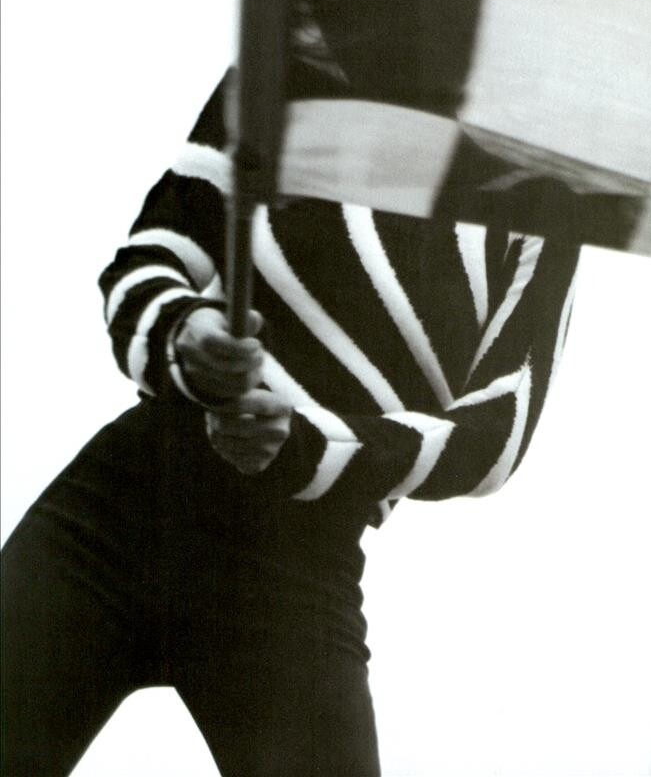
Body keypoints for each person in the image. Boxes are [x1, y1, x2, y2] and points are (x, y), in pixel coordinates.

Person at [1, 63, 580, 776]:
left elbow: (497, 433)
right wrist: (184, 334)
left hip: (297, 574)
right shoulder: (286, 59)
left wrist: (307, 444)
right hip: (120, 511)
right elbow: (147, 261)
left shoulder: (551, 184)